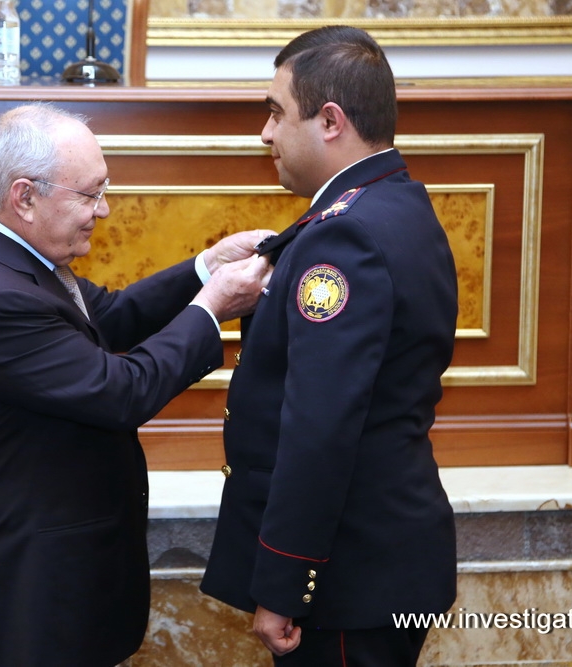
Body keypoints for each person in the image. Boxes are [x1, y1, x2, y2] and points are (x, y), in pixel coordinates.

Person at [0, 102, 272, 667]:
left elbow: (112, 315)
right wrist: (212, 307)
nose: (102, 210)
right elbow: (121, 392)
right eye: (88, 194)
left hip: (48, 585)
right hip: (20, 603)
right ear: (25, 197)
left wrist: (207, 266)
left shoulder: (8, 256)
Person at [199, 26, 459, 666]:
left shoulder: (344, 237)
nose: (265, 133)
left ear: (331, 121)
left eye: (276, 112)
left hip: (348, 580)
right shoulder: (393, 202)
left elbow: (320, 426)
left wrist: (285, 582)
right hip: (380, 556)